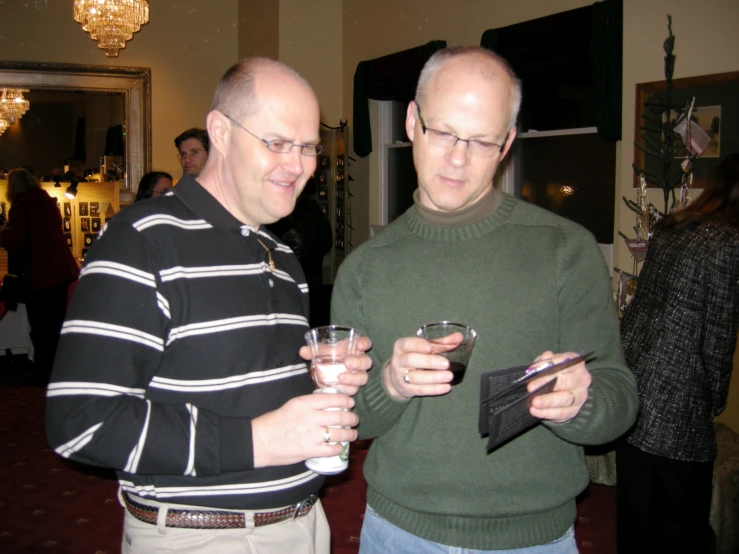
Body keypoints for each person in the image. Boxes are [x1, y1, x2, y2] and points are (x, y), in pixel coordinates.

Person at [46, 57, 372, 554]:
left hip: (306, 524)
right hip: (202, 537)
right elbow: (81, 421)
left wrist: (323, 377)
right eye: (277, 142)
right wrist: (258, 441)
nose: (298, 163)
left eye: (307, 147)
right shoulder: (142, 239)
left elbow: (237, 387)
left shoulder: (282, 256)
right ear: (220, 130)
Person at [330, 46, 639, 553]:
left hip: (535, 540)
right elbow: (351, 419)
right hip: (400, 534)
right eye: (443, 131)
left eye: (481, 141)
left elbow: (619, 400)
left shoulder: (565, 248)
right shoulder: (364, 269)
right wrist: (390, 383)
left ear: (508, 143)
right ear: (412, 120)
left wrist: (578, 402)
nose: (457, 157)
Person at [616, 153, 739, 554]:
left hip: (636, 371)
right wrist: (715, 397)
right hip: (678, 390)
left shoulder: (675, 226)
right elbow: (719, 333)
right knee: (681, 518)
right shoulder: (728, 240)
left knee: (636, 506)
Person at [0, 168, 80, 385]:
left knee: (41, 329)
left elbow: (16, 240)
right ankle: (58, 370)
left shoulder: (20, 207)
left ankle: (43, 373)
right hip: (60, 272)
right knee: (55, 326)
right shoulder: (49, 203)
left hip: (39, 275)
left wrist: (2, 232)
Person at [267, 176, 333, 327]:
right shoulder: (318, 214)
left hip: (291, 286)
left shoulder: (288, 217)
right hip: (315, 281)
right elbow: (328, 244)